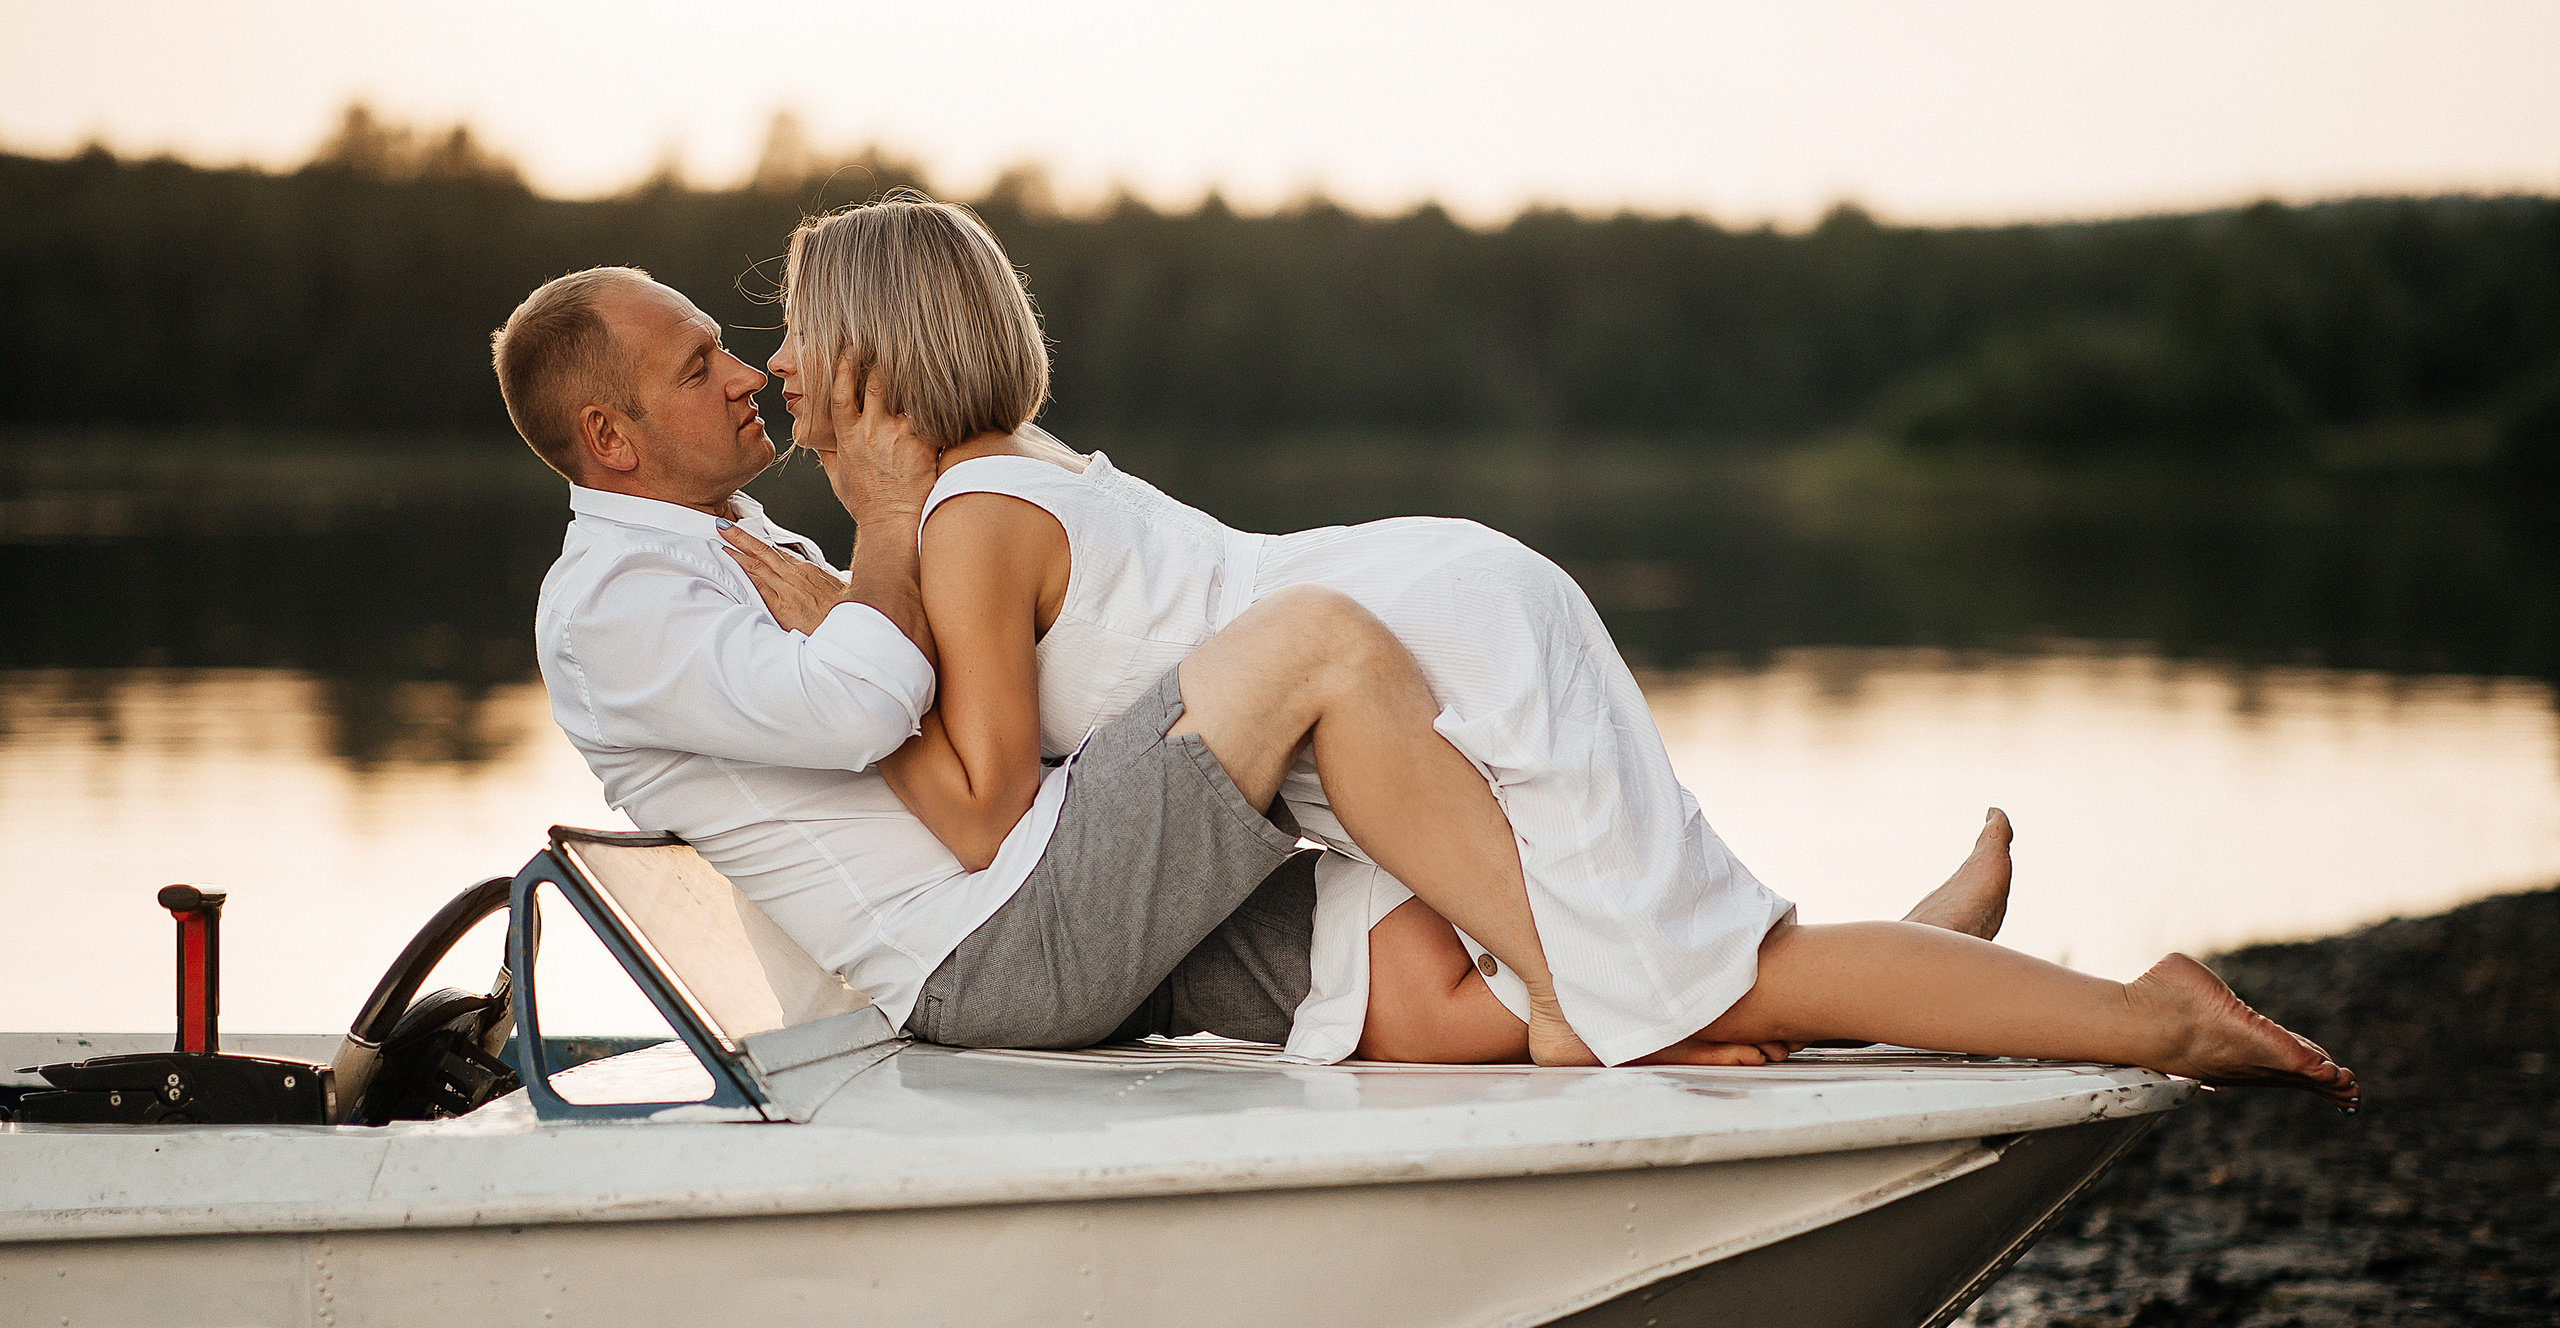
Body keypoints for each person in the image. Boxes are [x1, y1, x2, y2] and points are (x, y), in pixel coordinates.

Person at [723, 194, 2357, 1107]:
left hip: (1407, 648)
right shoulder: (1023, 476)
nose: (778, 360)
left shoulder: (964, 522)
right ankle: (1910, 962)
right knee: (1643, 975)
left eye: (801, 327)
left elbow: (994, 808)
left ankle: (2148, 1016)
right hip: (1414, 632)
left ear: (874, 350)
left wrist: (843, 604)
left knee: (1662, 989)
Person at [491, 265, 2009, 1072]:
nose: (752, 371)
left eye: (730, 344)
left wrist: (869, 563)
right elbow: (869, 710)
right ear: (611, 440)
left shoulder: (728, 541)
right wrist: (888, 527)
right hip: (988, 942)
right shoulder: (616, 606)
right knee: (1333, 720)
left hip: (1043, 866)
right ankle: (1774, 982)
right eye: (701, 363)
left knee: (1420, 984)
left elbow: (903, 708)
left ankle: (1873, 987)